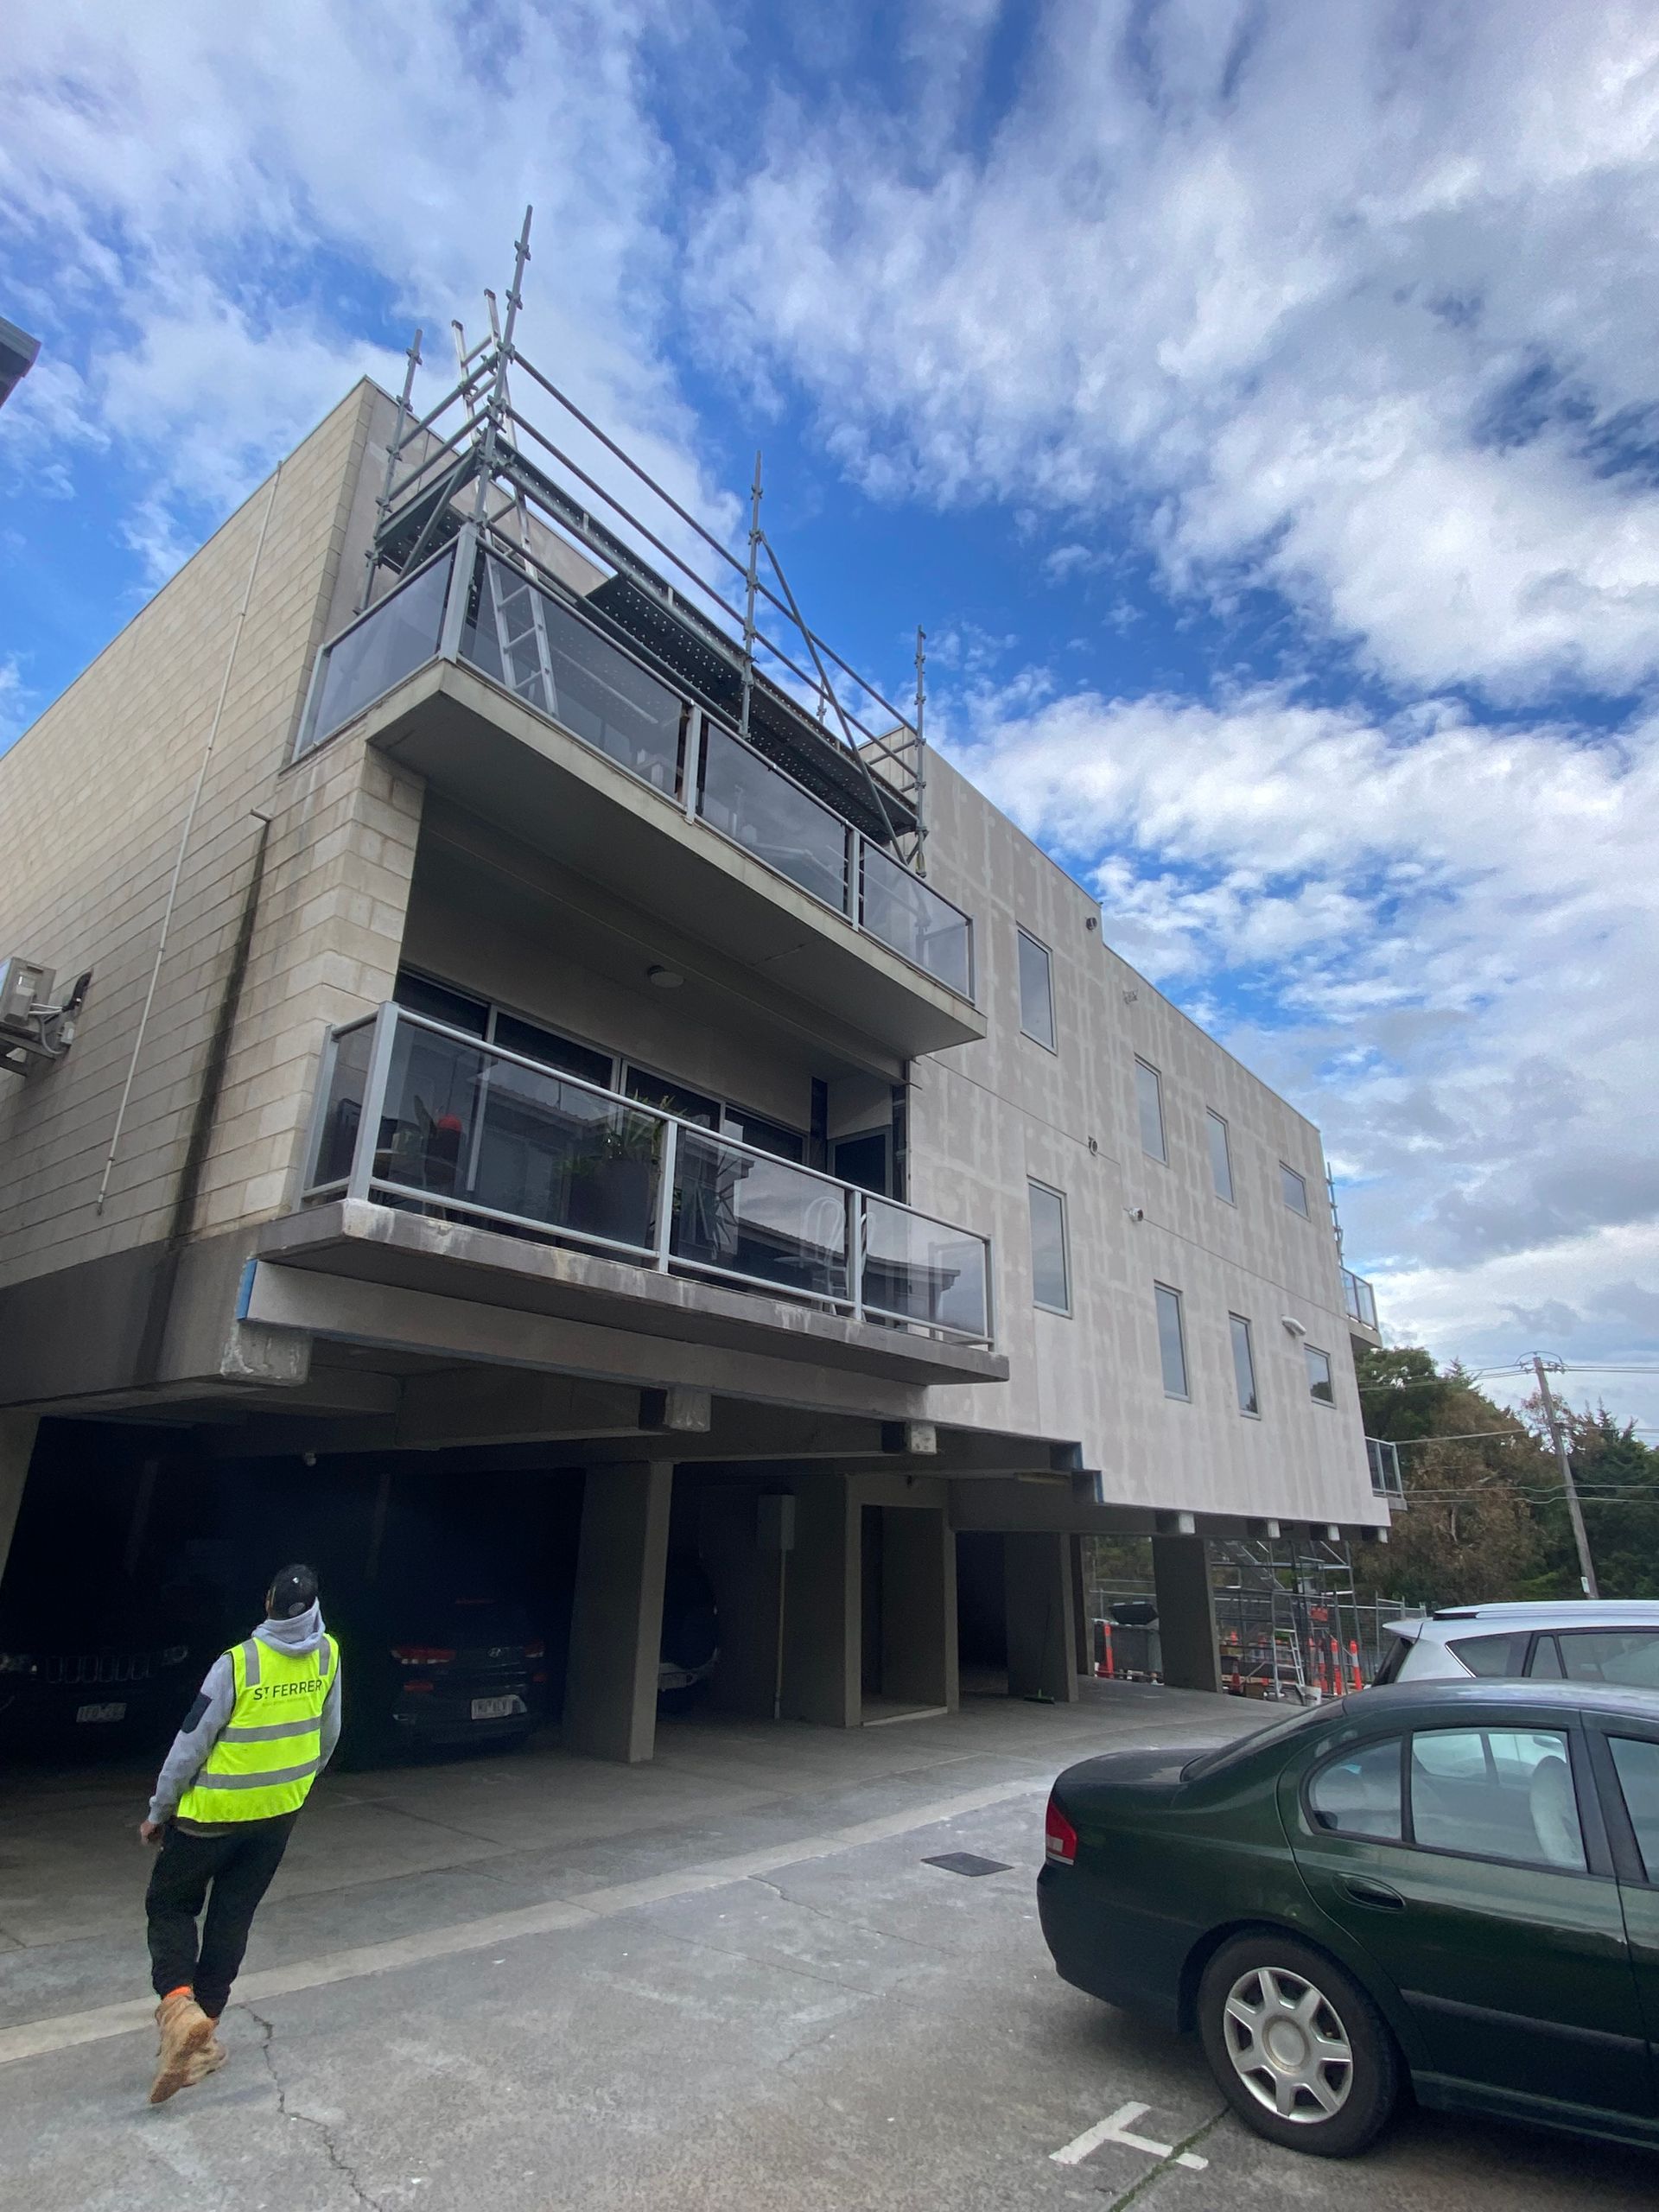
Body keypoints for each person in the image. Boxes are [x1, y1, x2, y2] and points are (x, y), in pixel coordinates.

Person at [139, 1562, 341, 2105]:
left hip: (210, 1816)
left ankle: (180, 2009)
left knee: (171, 1907)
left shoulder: (238, 1663)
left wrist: (160, 1810)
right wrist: (290, 1786)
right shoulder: (329, 1654)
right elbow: (329, 1736)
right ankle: (203, 2039)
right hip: (277, 1816)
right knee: (233, 1916)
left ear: (267, 1603)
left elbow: (190, 1744)